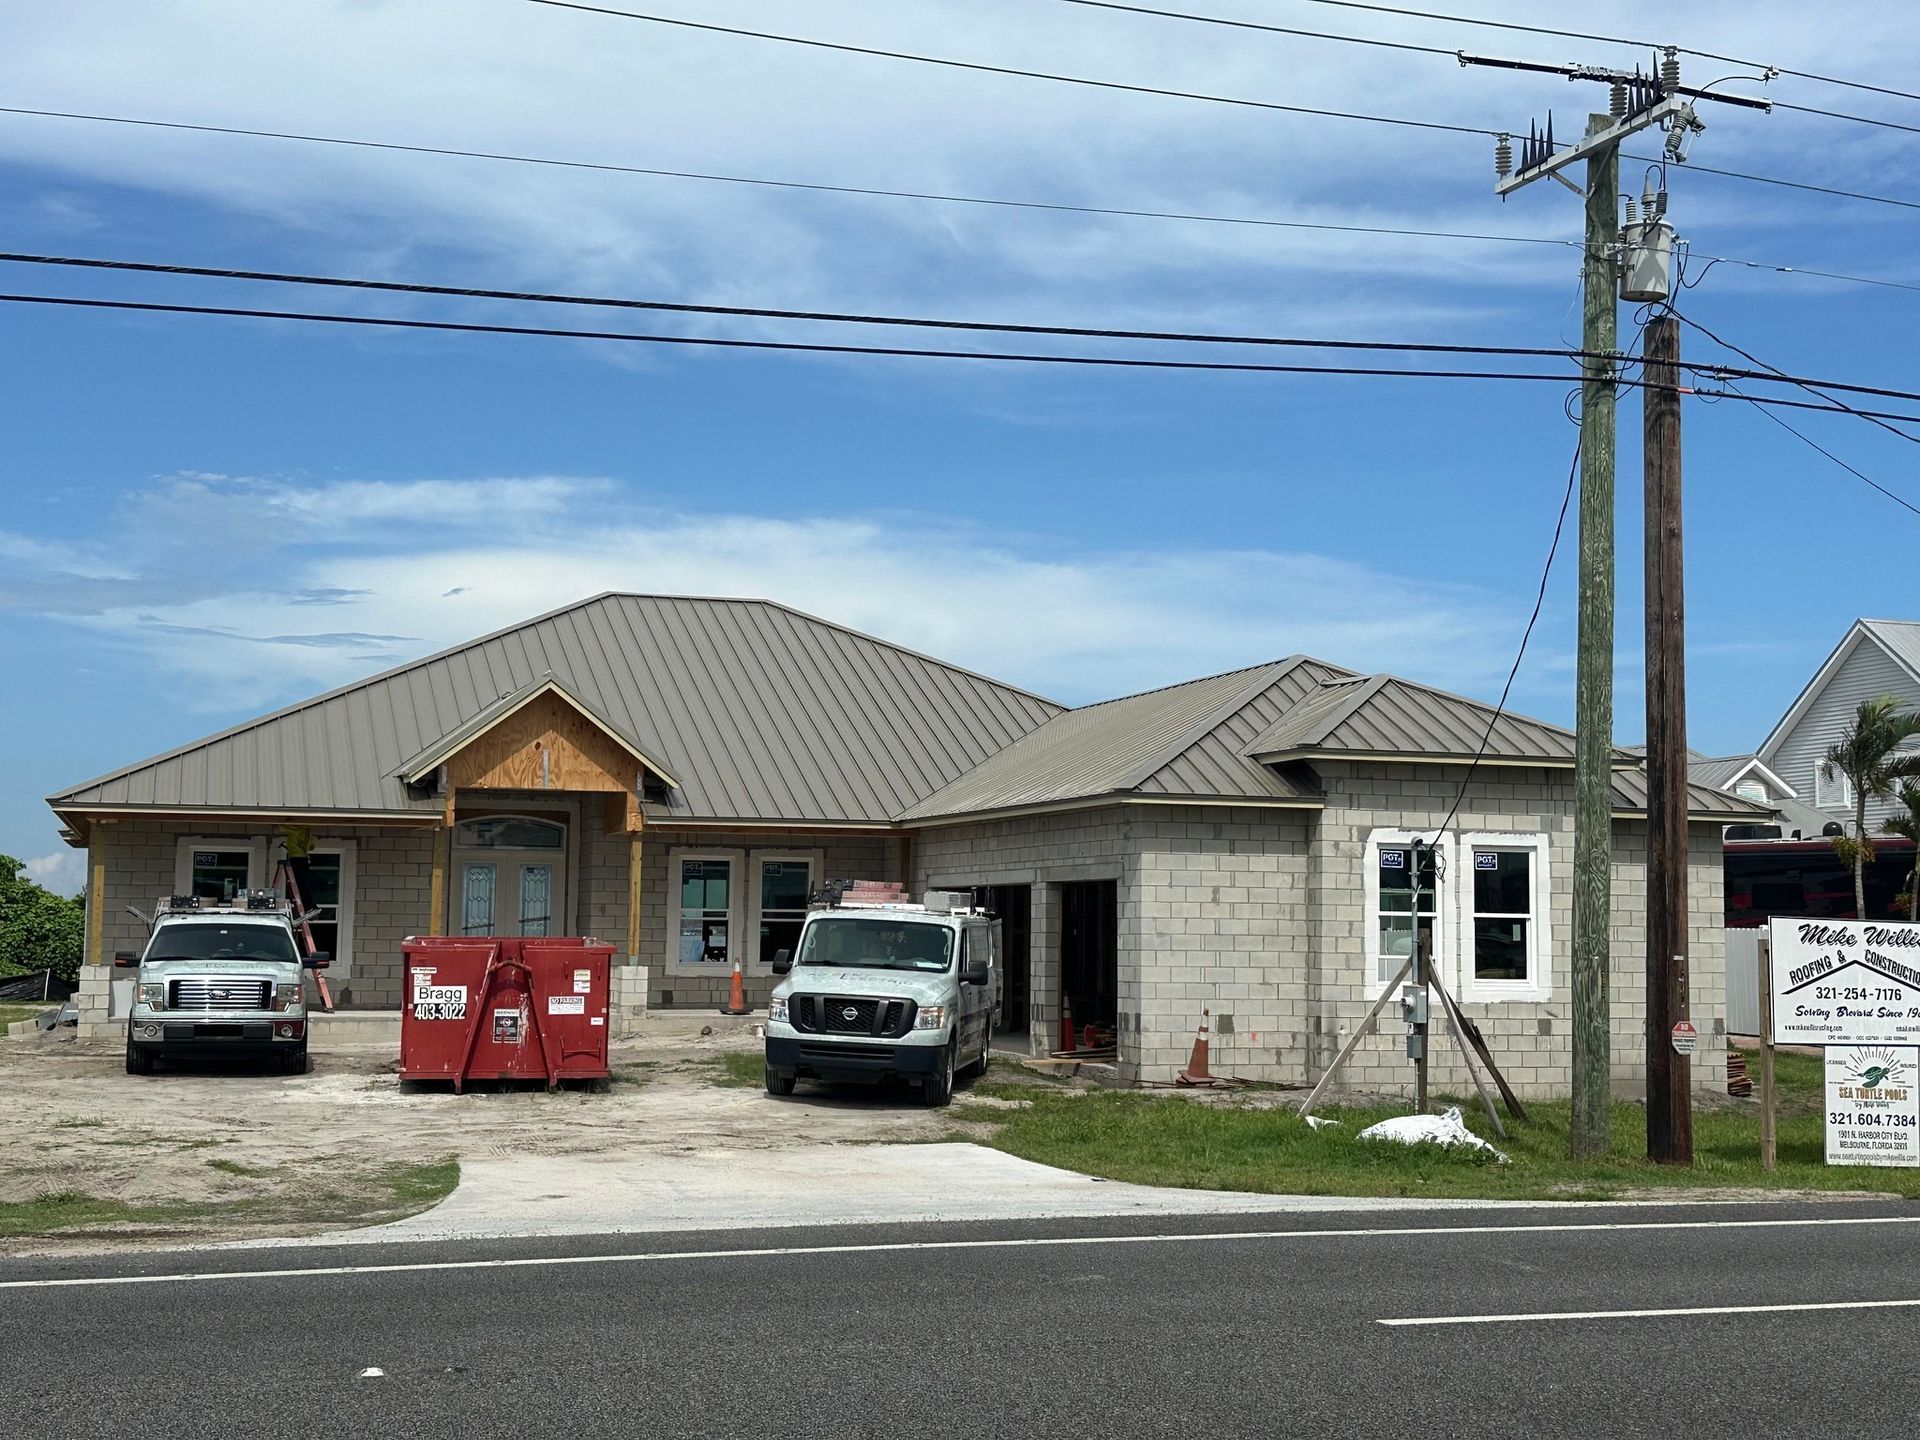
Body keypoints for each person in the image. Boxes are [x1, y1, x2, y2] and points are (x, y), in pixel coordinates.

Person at [280, 824, 316, 911]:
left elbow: (281, 828)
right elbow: (312, 847)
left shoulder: (297, 830)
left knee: (298, 884)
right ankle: (309, 906)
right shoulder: (309, 831)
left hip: (296, 858)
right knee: (303, 884)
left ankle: (307, 907)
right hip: (304, 859)